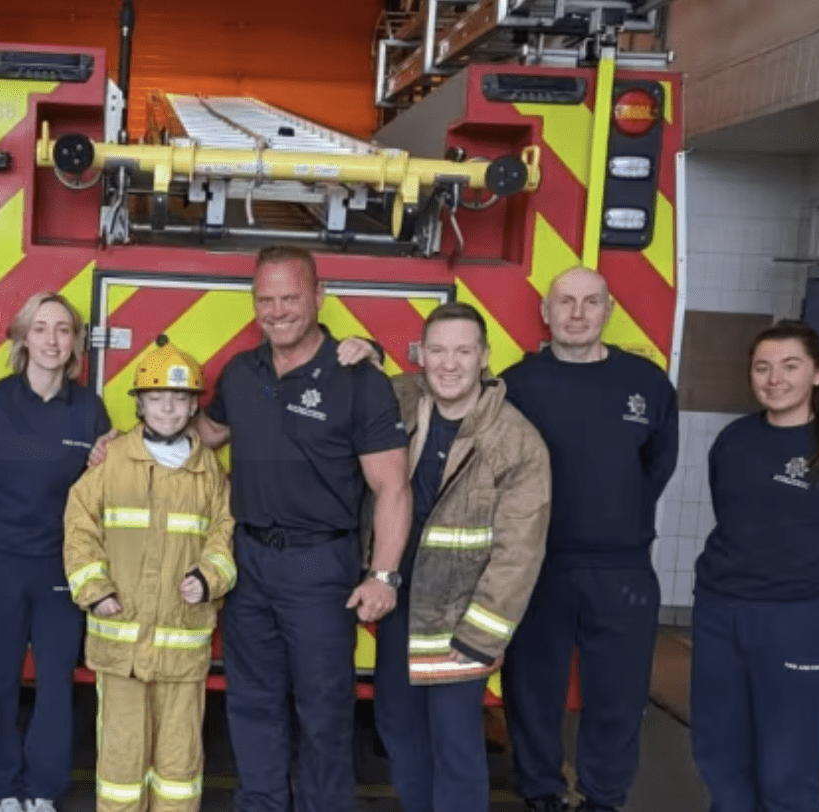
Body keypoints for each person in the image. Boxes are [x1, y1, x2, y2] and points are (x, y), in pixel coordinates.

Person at [202, 245, 412, 812]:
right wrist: (123, 443)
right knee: (252, 702)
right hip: (248, 563)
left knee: (323, 709)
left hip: (320, 567)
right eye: (265, 299)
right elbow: (204, 434)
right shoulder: (240, 374)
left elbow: (392, 486)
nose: (276, 311)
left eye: (290, 297)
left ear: (319, 297)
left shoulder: (357, 378)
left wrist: (385, 575)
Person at [691, 319, 819, 812]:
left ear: (818, 374)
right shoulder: (734, 441)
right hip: (721, 612)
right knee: (719, 750)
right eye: (762, 367)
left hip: (801, 619)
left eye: (790, 366)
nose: (774, 378)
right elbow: (733, 517)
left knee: (786, 764)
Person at [498, 266, 679, 812]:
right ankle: (541, 792)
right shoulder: (516, 385)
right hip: (537, 564)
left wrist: (616, 518)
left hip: (621, 567)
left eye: (590, 302)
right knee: (532, 691)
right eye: (565, 302)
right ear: (546, 314)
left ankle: (604, 797)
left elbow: (657, 464)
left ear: (608, 311)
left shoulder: (647, 384)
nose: (577, 314)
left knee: (618, 697)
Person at [371, 302, 551, 812]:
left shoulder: (516, 441)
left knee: (454, 744)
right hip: (399, 604)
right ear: (421, 355)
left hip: (460, 616)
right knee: (398, 728)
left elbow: (519, 551)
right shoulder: (400, 401)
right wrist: (362, 354)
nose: (450, 364)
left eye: (463, 351)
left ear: (484, 357)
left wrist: (481, 637)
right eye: (439, 350)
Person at [0, 291, 114, 812]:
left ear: (75, 344)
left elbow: (99, 488)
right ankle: (2, 788)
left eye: (63, 330)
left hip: (60, 566)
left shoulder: (89, 408)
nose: (52, 340)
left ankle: (42, 789)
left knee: (54, 680)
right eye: (41, 328)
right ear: (23, 338)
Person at [64, 336, 236, 812]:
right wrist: (94, 590)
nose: (167, 409)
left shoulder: (209, 473)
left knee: (180, 761)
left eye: (179, 399)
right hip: (120, 640)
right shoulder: (111, 461)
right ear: (139, 404)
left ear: (194, 405)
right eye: (156, 398)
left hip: (182, 642)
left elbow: (224, 536)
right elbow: (80, 526)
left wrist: (207, 578)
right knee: (120, 757)